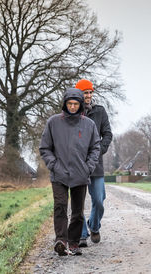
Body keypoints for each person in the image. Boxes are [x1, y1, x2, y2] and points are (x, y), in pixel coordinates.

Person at [39, 88, 100, 256]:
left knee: (77, 211)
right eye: (69, 103)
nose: (72, 106)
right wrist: (53, 165)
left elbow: (95, 148)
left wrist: (88, 167)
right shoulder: (53, 122)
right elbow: (45, 148)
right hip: (59, 173)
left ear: (81, 105)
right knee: (60, 206)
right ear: (65, 104)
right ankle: (61, 240)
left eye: (76, 104)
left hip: (80, 173)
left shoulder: (89, 125)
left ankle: (73, 242)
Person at [75, 79, 113, 247]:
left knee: (99, 199)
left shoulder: (100, 111)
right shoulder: (72, 112)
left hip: (96, 164)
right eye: (85, 92)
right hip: (77, 164)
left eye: (90, 92)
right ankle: (82, 234)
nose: (88, 95)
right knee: (78, 201)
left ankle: (94, 225)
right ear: (78, 94)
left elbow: (108, 134)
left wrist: (99, 150)